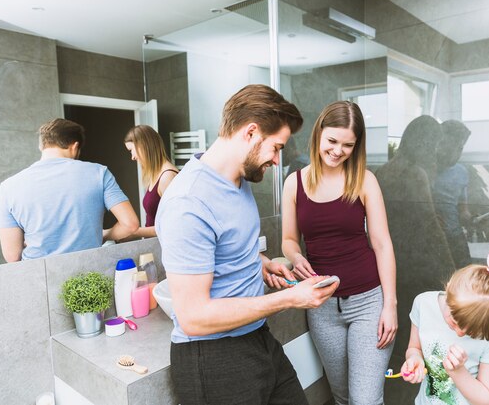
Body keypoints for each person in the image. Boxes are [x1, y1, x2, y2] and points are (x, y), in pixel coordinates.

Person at [155, 84, 338, 405]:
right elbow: (193, 317)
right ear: (251, 132)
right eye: (276, 147)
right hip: (212, 358)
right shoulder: (188, 201)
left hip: (255, 338)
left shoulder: (238, 180)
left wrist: (261, 263)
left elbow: (230, 242)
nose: (278, 161)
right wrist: (290, 299)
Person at [281, 101, 398, 405]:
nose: (338, 151)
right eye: (332, 141)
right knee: (342, 397)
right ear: (319, 133)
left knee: (365, 401)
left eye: (348, 145)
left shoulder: (364, 180)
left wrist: (390, 306)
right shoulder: (293, 183)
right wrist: (296, 257)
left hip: (368, 303)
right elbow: (289, 240)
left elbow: (382, 244)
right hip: (321, 307)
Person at [0, 118, 139, 262]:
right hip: (89, 273)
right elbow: (130, 224)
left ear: (42, 146)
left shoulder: (8, 187)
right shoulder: (99, 173)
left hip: (38, 275)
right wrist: (104, 235)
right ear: (75, 146)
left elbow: (12, 256)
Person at [375, 115, 455, 367]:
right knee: (425, 324)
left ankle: (401, 375)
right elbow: (430, 225)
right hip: (419, 262)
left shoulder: (384, 170)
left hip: (393, 260)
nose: (437, 150)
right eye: (435, 143)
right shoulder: (415, 173)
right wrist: (450, 267)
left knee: (402, 323)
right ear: (424, 143)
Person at [401, 251, 489, 405]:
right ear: (449, 291)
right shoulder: (423, 304)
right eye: (454, 322)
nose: (460, 333)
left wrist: (458, 371)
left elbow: (487, 400)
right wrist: (414, 358)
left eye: (472, 331)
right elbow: (414, 347)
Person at [123, 125, 178, 239]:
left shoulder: (167, 177)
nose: (132, 157)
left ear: (144, 146)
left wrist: (131, 232)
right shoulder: (156, 174)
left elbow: (170, 227)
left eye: (131, 150)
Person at [432, 119, 472, 268]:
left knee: (465, 277)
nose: (457, 153)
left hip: (455, 236)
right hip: (434, 238)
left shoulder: (462, 172)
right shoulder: (425, 171)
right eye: (453, 147)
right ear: (441, 144)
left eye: (460, 148)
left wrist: (470, 219)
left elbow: (463, 208)